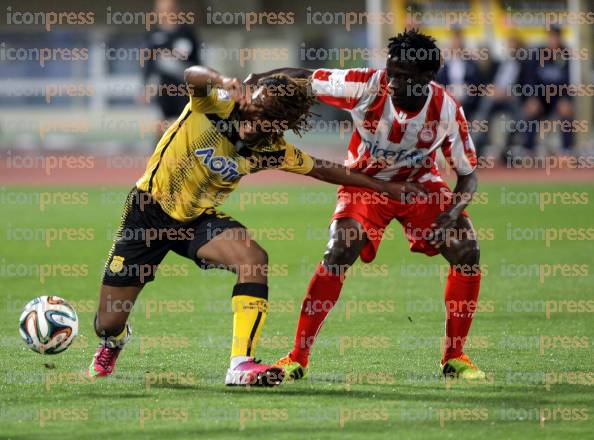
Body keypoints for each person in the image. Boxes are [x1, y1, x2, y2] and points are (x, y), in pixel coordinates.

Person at [86, 65, 423, 387]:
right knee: (107, 322)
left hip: (196, 221)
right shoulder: (215, 104)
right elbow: (192, 77)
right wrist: (222, 79)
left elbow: (322, 168)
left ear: (278, 126)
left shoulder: (271, 150)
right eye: (255, 109)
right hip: (147, 212)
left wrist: (388, 188)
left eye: (265, 119)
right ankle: (114, 341)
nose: (254, 121)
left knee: (254, 260)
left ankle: (241, 364)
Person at [248, 29, 485, 380]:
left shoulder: (446, 110)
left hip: (417, 186)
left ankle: (455, 357)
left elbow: (468, 176)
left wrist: (450, 216)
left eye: (403, 76)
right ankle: (297, 356)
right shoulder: (365, 85)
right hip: (366, 183)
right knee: (339, 250)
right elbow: (306, 79)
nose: (392, 81)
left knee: (466, 250)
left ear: (426, 78)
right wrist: (258, 79)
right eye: (391, 71)